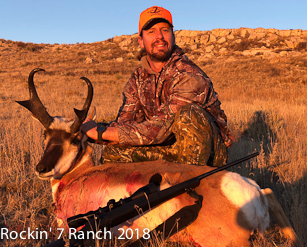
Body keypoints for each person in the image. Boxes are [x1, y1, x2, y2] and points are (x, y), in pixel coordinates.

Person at [81, 6, 235, 167]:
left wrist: (100, 133)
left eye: (165, 30)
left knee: (188, 115)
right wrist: (85, 130)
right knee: (114, 153)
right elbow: (126, 125)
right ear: (141, 41)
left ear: (173, 36)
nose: (159, 36)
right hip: (169, 150)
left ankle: (194, 185)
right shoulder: (137, 79)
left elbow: (160, 129)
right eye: (151, 32)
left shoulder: (190, 75)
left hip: (206, 158)